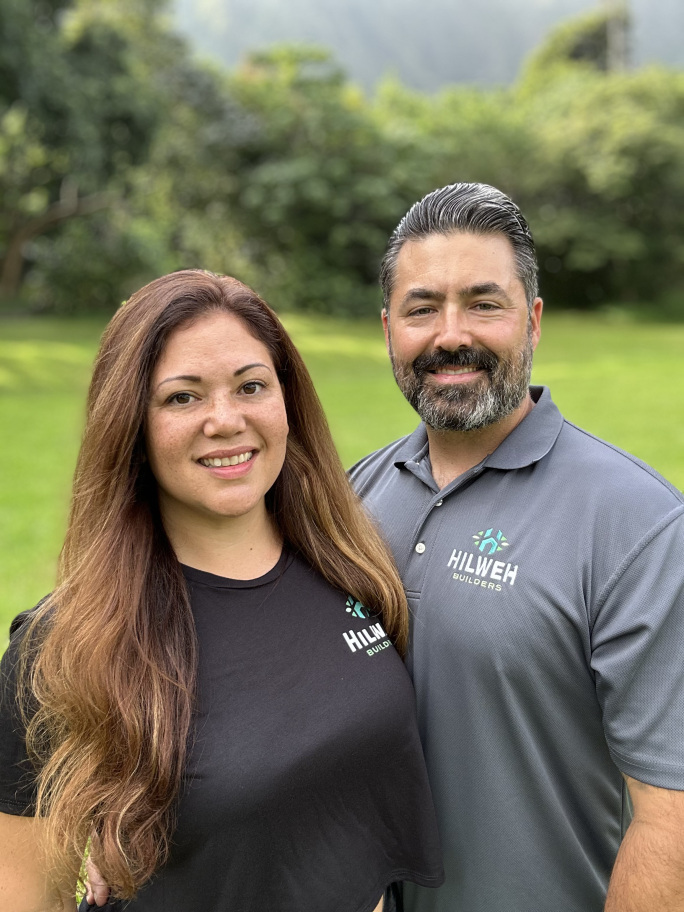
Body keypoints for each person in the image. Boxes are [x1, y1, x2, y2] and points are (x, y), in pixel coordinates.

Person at [0, 270, 444, 912]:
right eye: (182, 397)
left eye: (251, 386)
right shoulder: (65, 649)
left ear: (287, 401)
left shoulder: (352, 568)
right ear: (130, 424)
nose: (226, 421)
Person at [349, 182, 684, 912]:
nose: (450, 335)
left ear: (532, 321)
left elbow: (672, 822)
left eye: (483, 303)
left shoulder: (639, 524)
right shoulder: (351, 498)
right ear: (388, 328)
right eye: (422, 308)